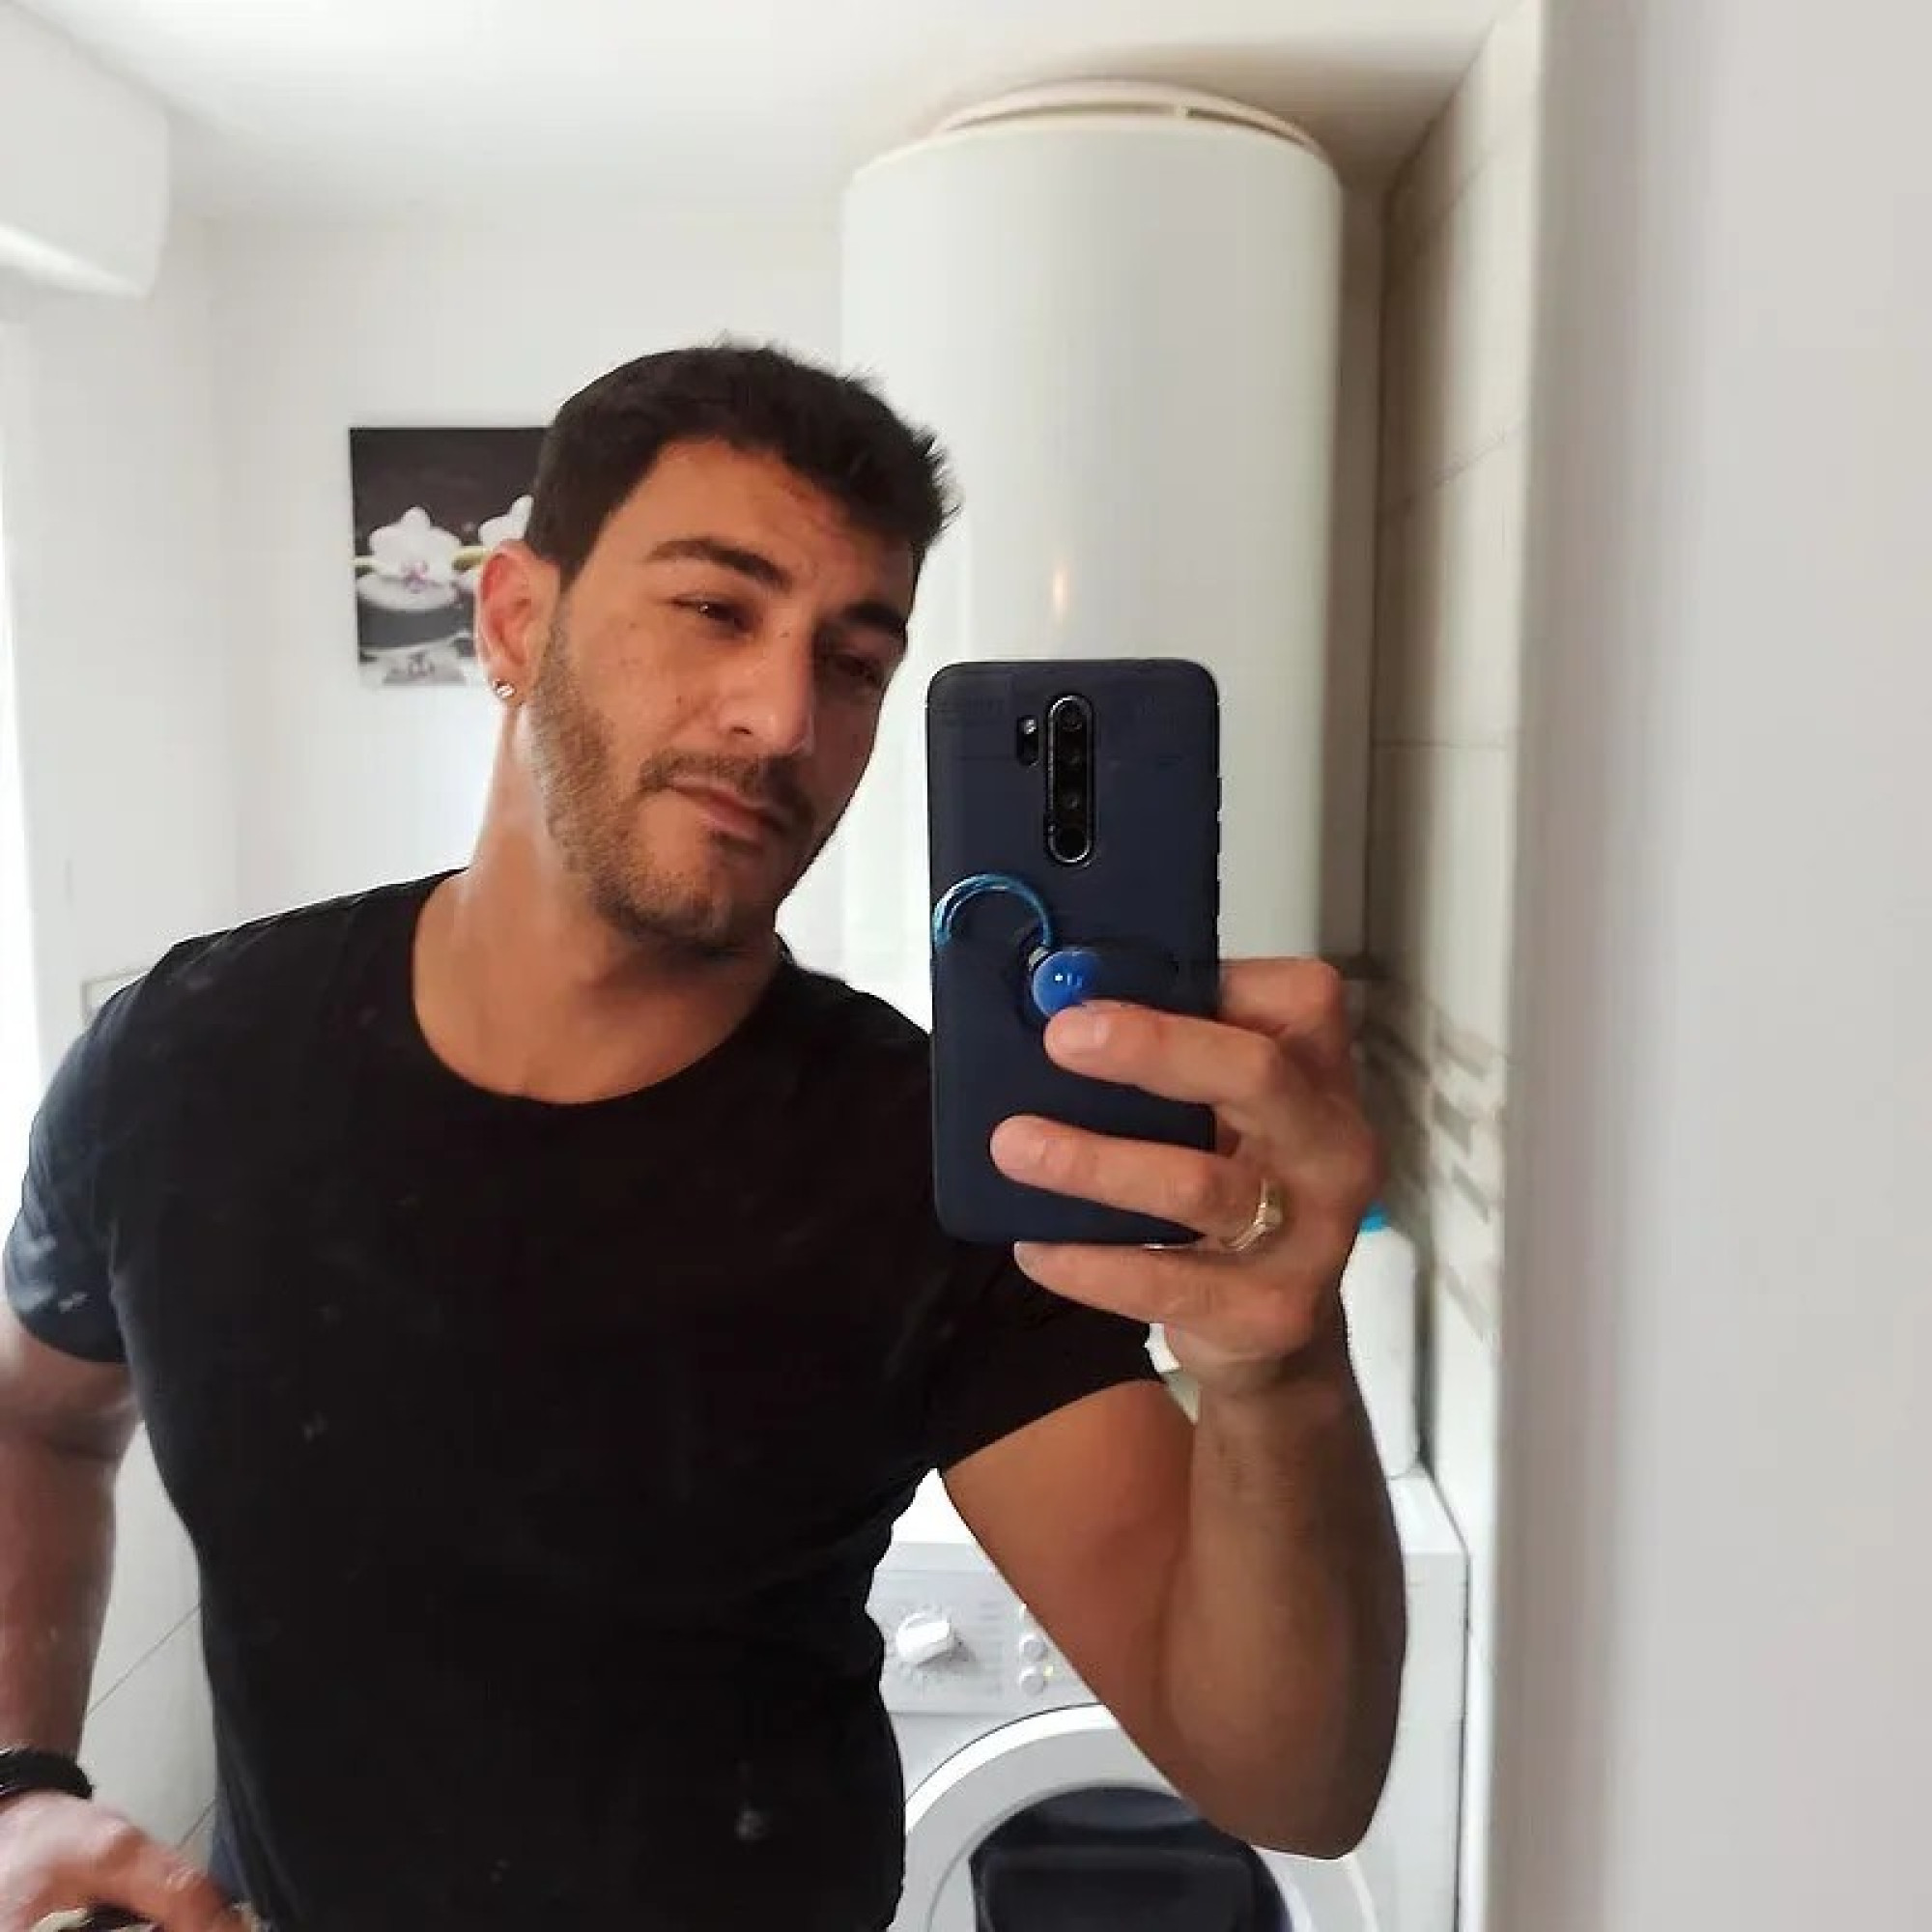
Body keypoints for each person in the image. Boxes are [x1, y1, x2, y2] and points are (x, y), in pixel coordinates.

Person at [0, 344, 1404, 1932]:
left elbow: (1291, 1782)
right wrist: (18, 1782)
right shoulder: (182, 1061)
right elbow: (37, 1422)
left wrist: (1284, 1375)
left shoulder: (927, 1159)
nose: (783, 715)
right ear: (515, 621)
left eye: (854, 663)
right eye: (716, 609)